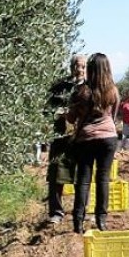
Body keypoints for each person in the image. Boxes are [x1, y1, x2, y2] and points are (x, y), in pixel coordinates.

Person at [67, 52, 120, 233]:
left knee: (83, 180)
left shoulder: (81, 92)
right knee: (103, 179)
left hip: (86, 140)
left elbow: (71, 118)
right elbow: (113, 116)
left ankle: (78, 222)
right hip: (108, 139)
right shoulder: (113, 90)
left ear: (89, 69)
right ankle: (101, 220)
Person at [45, 53, 86, 224]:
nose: (81, 70)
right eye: (78, 65)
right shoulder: (60, 87)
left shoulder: (89, 88)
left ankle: (81, 212)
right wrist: (58, 114)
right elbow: (46, 110)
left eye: (84, 67)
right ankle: (56, 212)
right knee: (56, 176)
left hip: (82, 139)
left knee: (82, 176)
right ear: (71, 67)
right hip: (61, 137)